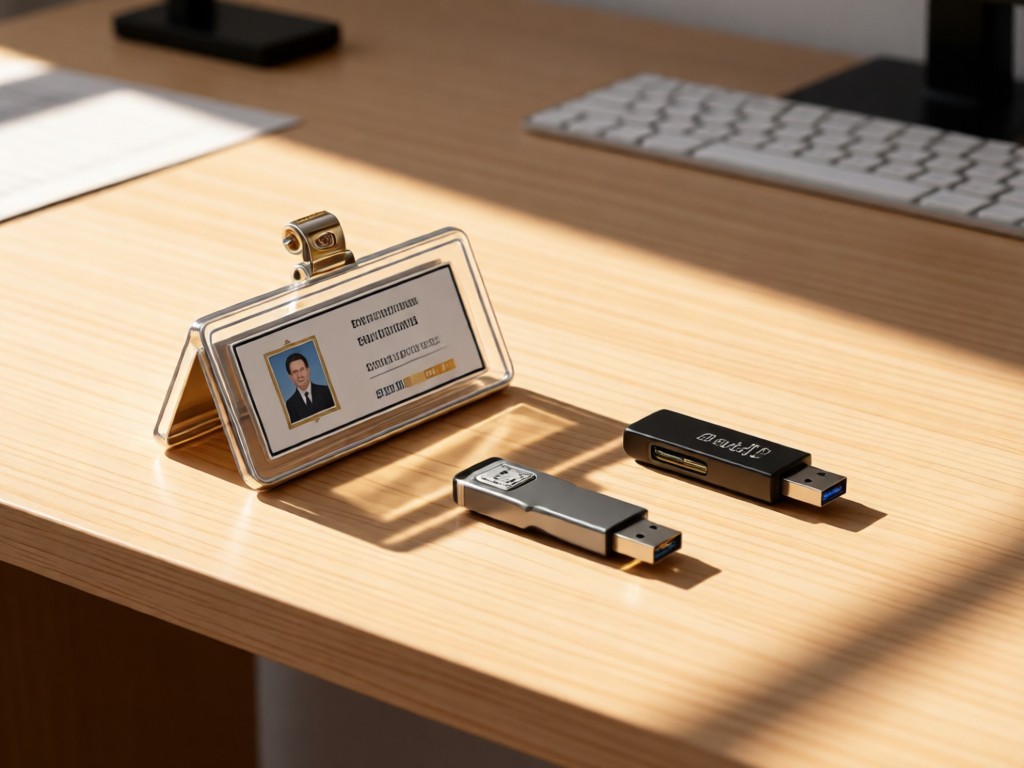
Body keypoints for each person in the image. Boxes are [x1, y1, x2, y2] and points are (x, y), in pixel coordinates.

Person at [283, 352, 335, 423]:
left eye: (302, 369)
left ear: (308, 370)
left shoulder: (326, 391)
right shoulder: (290, 404)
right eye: (295, 372)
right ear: (290, 377)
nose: (299, 375)